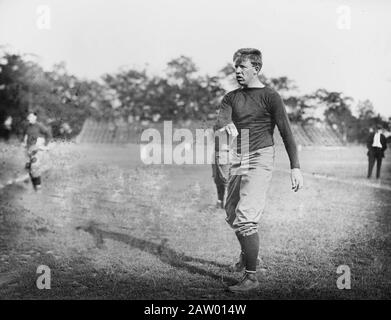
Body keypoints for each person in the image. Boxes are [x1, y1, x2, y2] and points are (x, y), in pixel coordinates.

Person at [215, 48, 303, 293]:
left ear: (256, 68)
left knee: (245, 216)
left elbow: (286, 131)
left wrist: (295, 167)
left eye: (242, 67)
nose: (237, 71)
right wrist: (224, 125)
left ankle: (251, 278)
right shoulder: (231, 97)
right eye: (236, 66)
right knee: (231, 211)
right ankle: (247, 256)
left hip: (260, 157)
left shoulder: (270, 96)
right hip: (238, 157)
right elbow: (221, 122)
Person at [22, 112, 52, 191]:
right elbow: (25, 135)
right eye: (29, 117)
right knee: (28, 167)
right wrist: (24, 142)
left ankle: (38, 186)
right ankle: (34, 185)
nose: (29, 118)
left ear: (35, 118)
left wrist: (45, 144)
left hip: (35, 149)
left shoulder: (39, 126)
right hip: (28, 149)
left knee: (34, 167)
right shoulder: (27, 126)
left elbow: (48, 134)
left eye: (31, 117)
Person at [211, 125, 232, 208]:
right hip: (216, 155)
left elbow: (234, 138)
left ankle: (230, 204)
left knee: (226, 180)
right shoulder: (216, 126)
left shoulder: (230, 126)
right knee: (217, 180)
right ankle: (220, 202)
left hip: (225, 155)